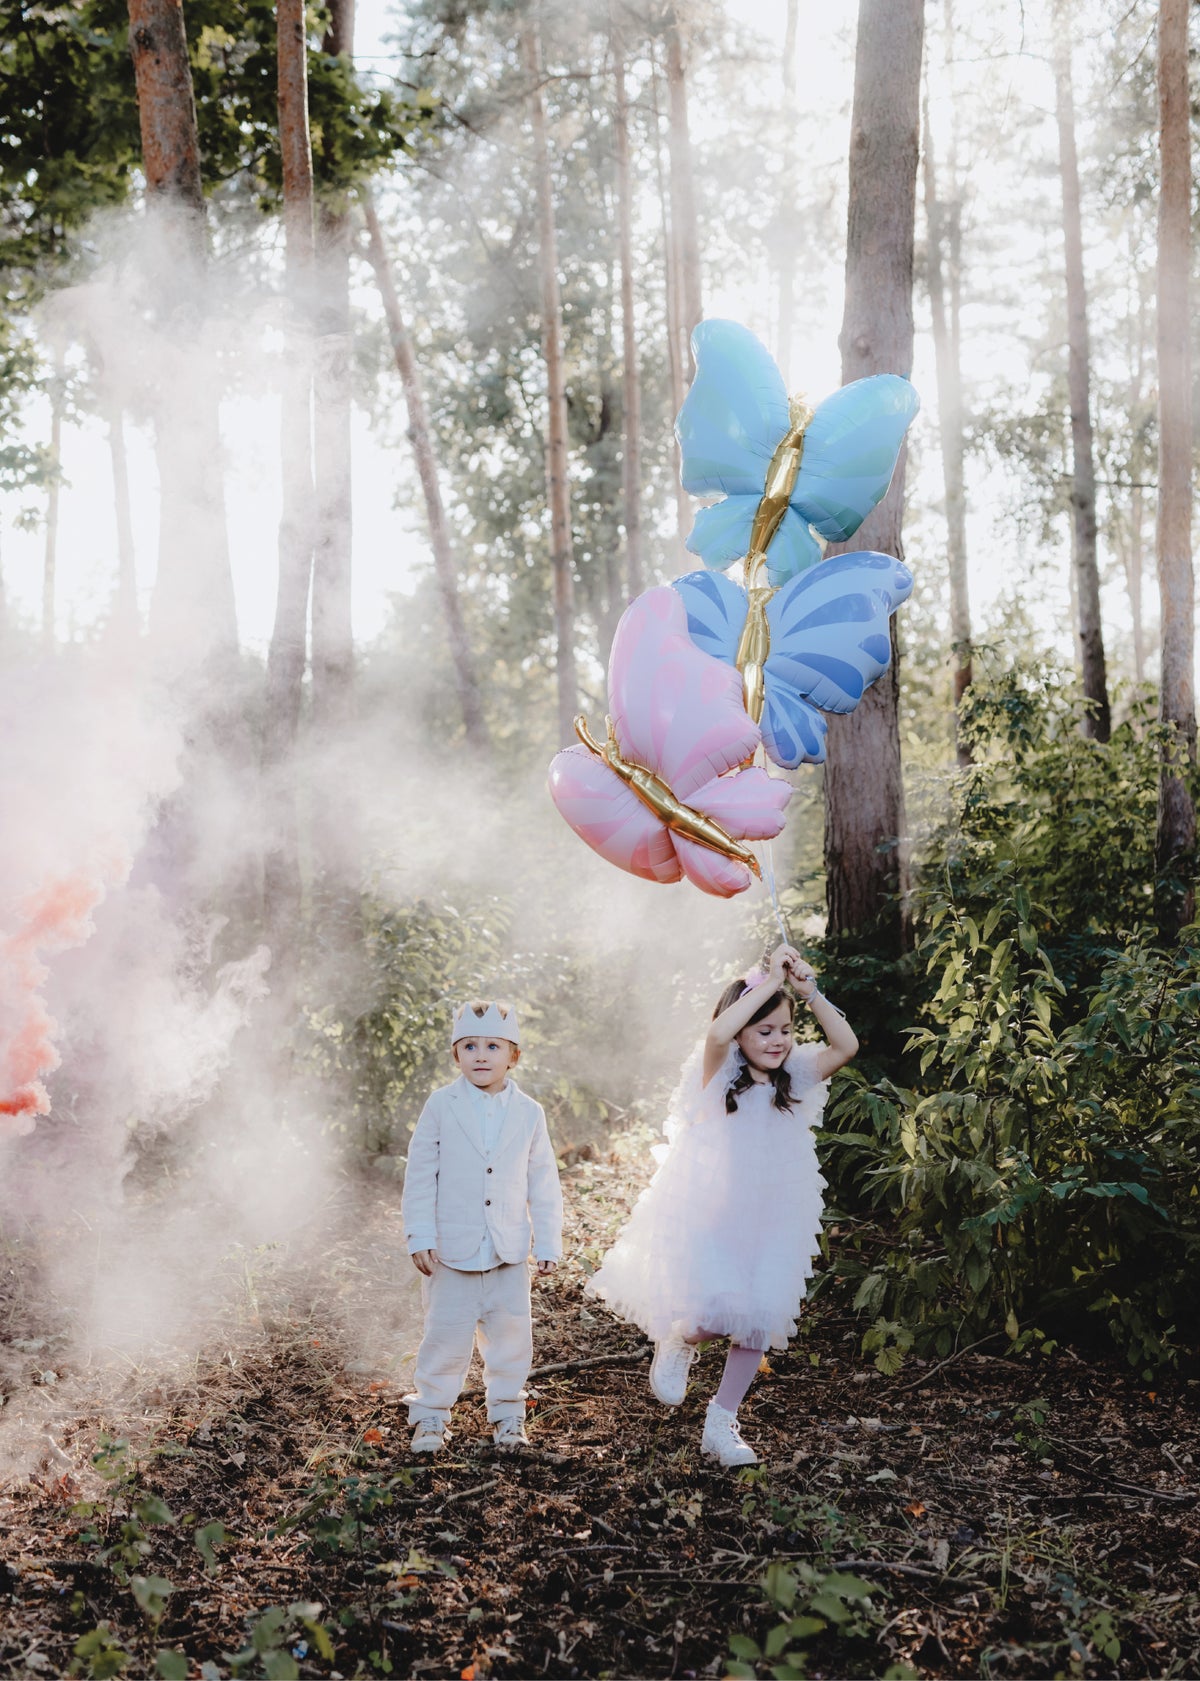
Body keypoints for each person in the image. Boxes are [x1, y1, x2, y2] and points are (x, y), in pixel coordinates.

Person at [587, 943, 858, 1466]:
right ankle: (681, 1339)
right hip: (717, 1215)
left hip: (777, 1216)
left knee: (759, 1316)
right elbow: (715, 1033)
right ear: (740, 1034)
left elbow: (845, 1046)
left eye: (784, 1029)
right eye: (764, 1030)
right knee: (718, 1310)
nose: (778, 1041)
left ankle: (721, 1421)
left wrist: (809, 992)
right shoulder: (718, 1075)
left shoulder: (797, 1076)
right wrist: (767, 981)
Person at [401, 1000, 563, 1454]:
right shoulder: (441, 1104)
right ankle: (431, 1417)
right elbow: (420, 1175)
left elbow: (542, 1180)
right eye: (469, 1045)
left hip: (508, 1252)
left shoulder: (530, 1112)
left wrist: (547, 1239)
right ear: (456, 1054)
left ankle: (508, 1415)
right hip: (451, 1252)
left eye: (493, 1045)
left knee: (511, 1341)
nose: (481, 1055)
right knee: (444, 1339)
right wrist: (421, 1235)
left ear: (513, 1054)